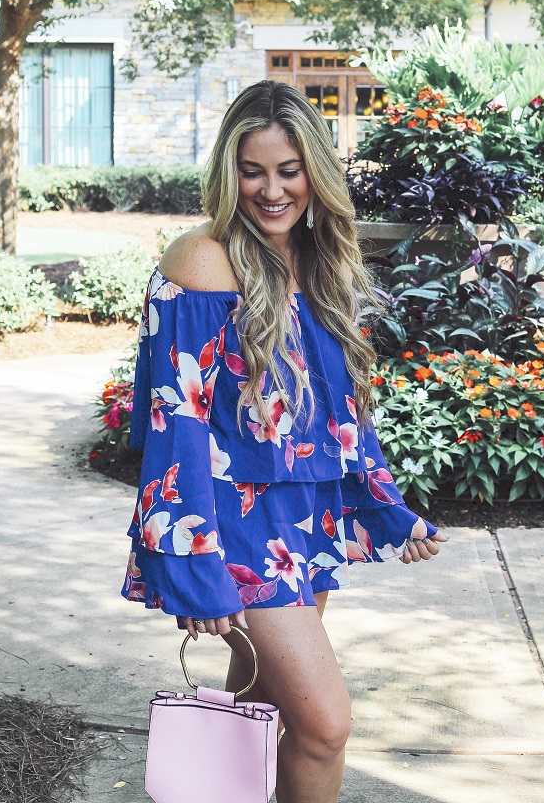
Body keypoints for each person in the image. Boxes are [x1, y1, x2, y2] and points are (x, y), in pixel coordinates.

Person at [120, 79, 445, 803]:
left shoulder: (319, 263)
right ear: (227, 171)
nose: (271, 190)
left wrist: (388, 510)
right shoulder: (201, 261)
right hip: (236, 530)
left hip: (301, 524)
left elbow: (340, 417)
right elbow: (179, 427)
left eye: (289, 170)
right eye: (252, 169)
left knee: (258, 717)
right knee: (324, 727)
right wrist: (193, 564)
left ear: (315, 174)